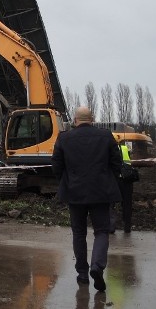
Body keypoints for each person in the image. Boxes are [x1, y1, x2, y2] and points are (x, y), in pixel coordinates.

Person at [51, 106, 122, 292]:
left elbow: (56, 165)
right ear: (92, 119)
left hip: (74, 192)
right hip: (101, 192)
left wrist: (66, 182)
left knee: (79, 233)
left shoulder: (64, 138)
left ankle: (82, 274)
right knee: (101, 231)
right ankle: (97, 267)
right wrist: (108, 179)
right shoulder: (106, 136)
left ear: (75, 120)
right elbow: (117, 162)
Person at [110, 141, 136, 234]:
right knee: (127, 205)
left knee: (110, 204)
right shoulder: (125, 148)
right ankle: (127, 227)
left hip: (114, 180)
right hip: (126, 179)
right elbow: (128, 162)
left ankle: (111, 227)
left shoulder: (107, 149)